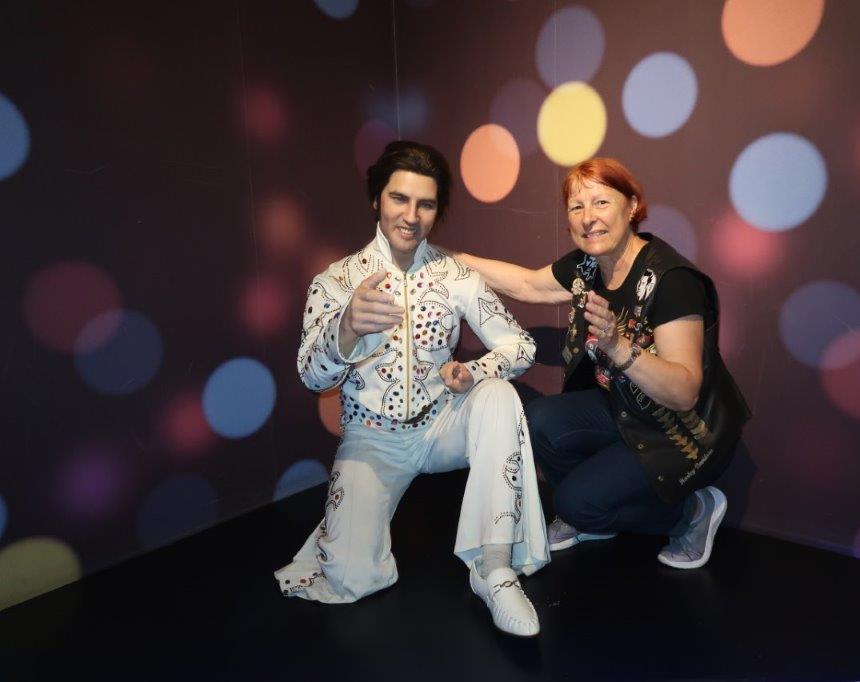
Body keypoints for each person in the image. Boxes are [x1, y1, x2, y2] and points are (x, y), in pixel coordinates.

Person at [275, 140, 549, 637]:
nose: (411, 215)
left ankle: (494, 568)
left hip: (441, 425)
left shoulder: (455, 276)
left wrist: (474, 373)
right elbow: (312, 377)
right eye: (399, 198)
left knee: (498, 396)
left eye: (425, 204)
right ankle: (344, 529)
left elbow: (520, 346)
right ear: (376, 199)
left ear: (437, 211)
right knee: (351, 578)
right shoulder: (336, 281)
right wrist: (345, 330)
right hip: (372, 440)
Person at [451, 157, 751, 569]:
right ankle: (590, 509)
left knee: (574, 504)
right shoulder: (587, 265)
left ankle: (690, 512)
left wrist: (617, 345)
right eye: (577, 207)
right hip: (626, 409)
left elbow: (683, 393)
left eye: (601, 202)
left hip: (678, 431)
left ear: (632, 206)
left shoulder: (672, 279)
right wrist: (449, 258)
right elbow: (526, 284)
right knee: (540, 419)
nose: (588, 217)